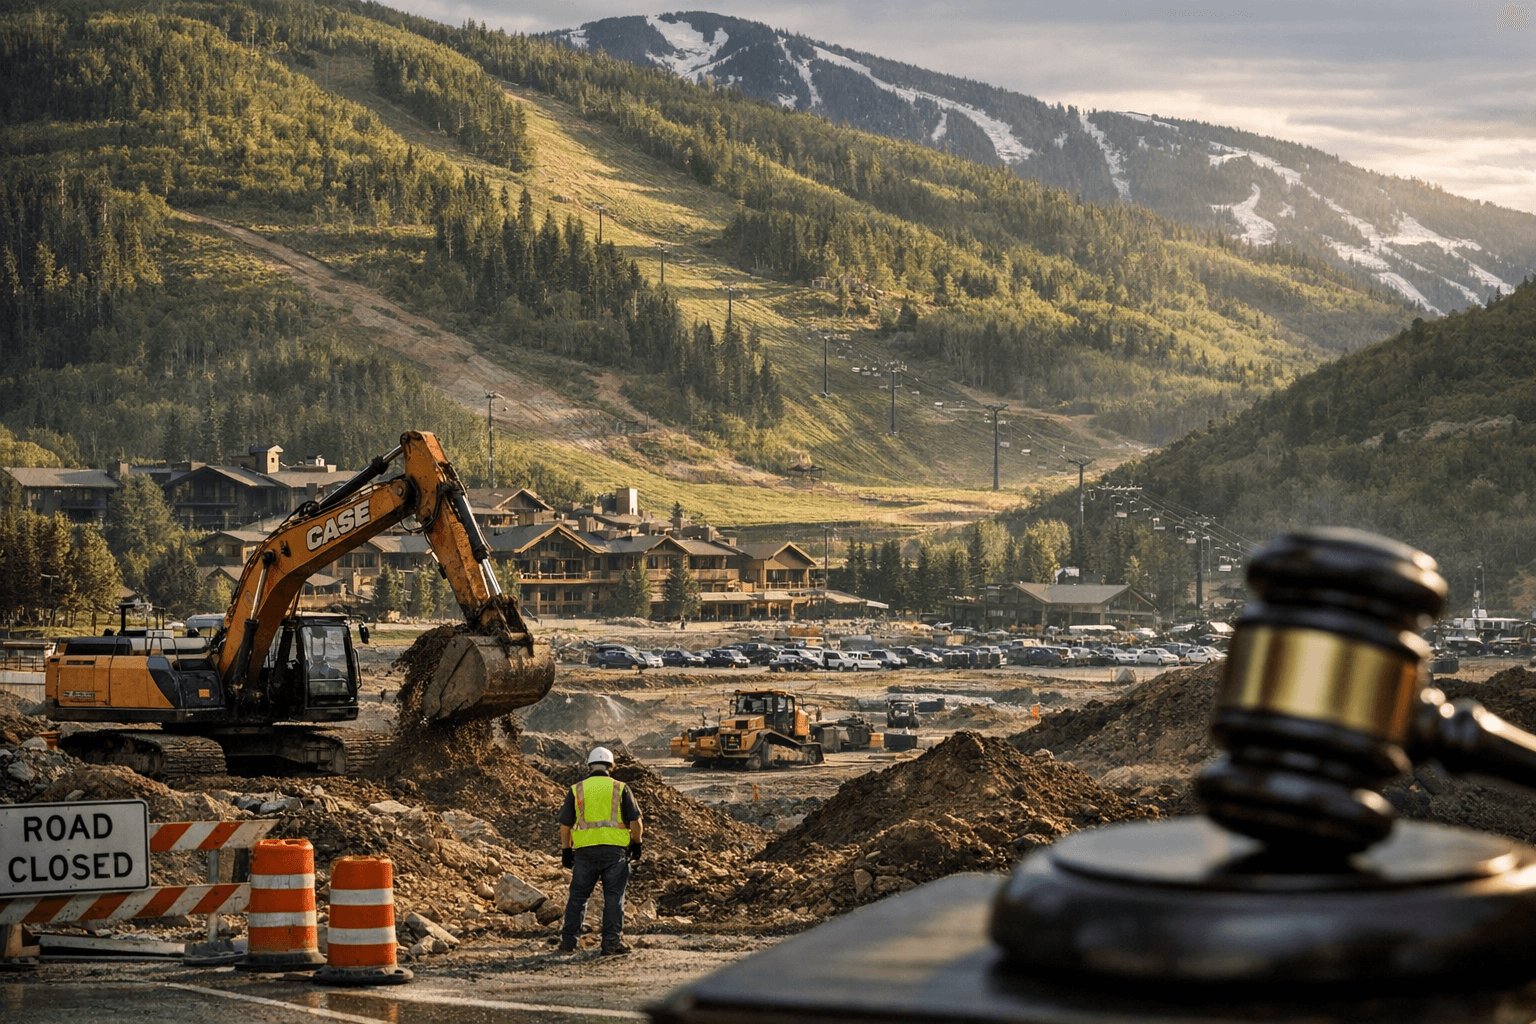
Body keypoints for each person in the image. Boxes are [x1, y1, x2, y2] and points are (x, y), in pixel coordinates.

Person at [558, 746, 643, 955]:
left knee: (578, 897)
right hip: (615, 854)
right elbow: (636, 822)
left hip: (584, 853)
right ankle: (611, 943)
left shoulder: (577, 789)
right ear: (611, 766)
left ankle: (569, 942)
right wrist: (637, 844)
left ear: (589, 766)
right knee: (614, 898)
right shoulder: (621, 788)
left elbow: (565, 826)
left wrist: (566, 851)